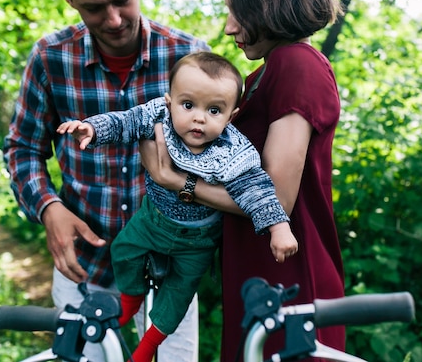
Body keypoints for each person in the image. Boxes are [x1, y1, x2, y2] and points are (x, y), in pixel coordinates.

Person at [2, 0, 210, 360]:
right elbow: (23, 148)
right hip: (87, 269)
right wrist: (48, 208)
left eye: (122, 1)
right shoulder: (50, 58)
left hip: (169, 268)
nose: (113, 20)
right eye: (94, 8)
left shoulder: (188, 57)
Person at [139, 0, 346, 360]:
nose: (231, 27)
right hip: (257, 273)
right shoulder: (264, 74)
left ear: (270, 3)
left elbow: (277, 197)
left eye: (239, 10)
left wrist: (176, 182)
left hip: (287, 276)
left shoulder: (296, 65)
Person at [57, 51, 299, 362]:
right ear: (169, 102)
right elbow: (126, 121)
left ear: (231, 116)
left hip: (197, 241)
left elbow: (258, 190)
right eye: (188, 105)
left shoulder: (233, 151)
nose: (199, 118)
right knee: (124, 251)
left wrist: (279, 229)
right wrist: (93, 129)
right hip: (153, 219)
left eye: (214, 110)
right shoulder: (158, 116)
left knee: (178, 296)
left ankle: (146, 349)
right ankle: (131, 299)